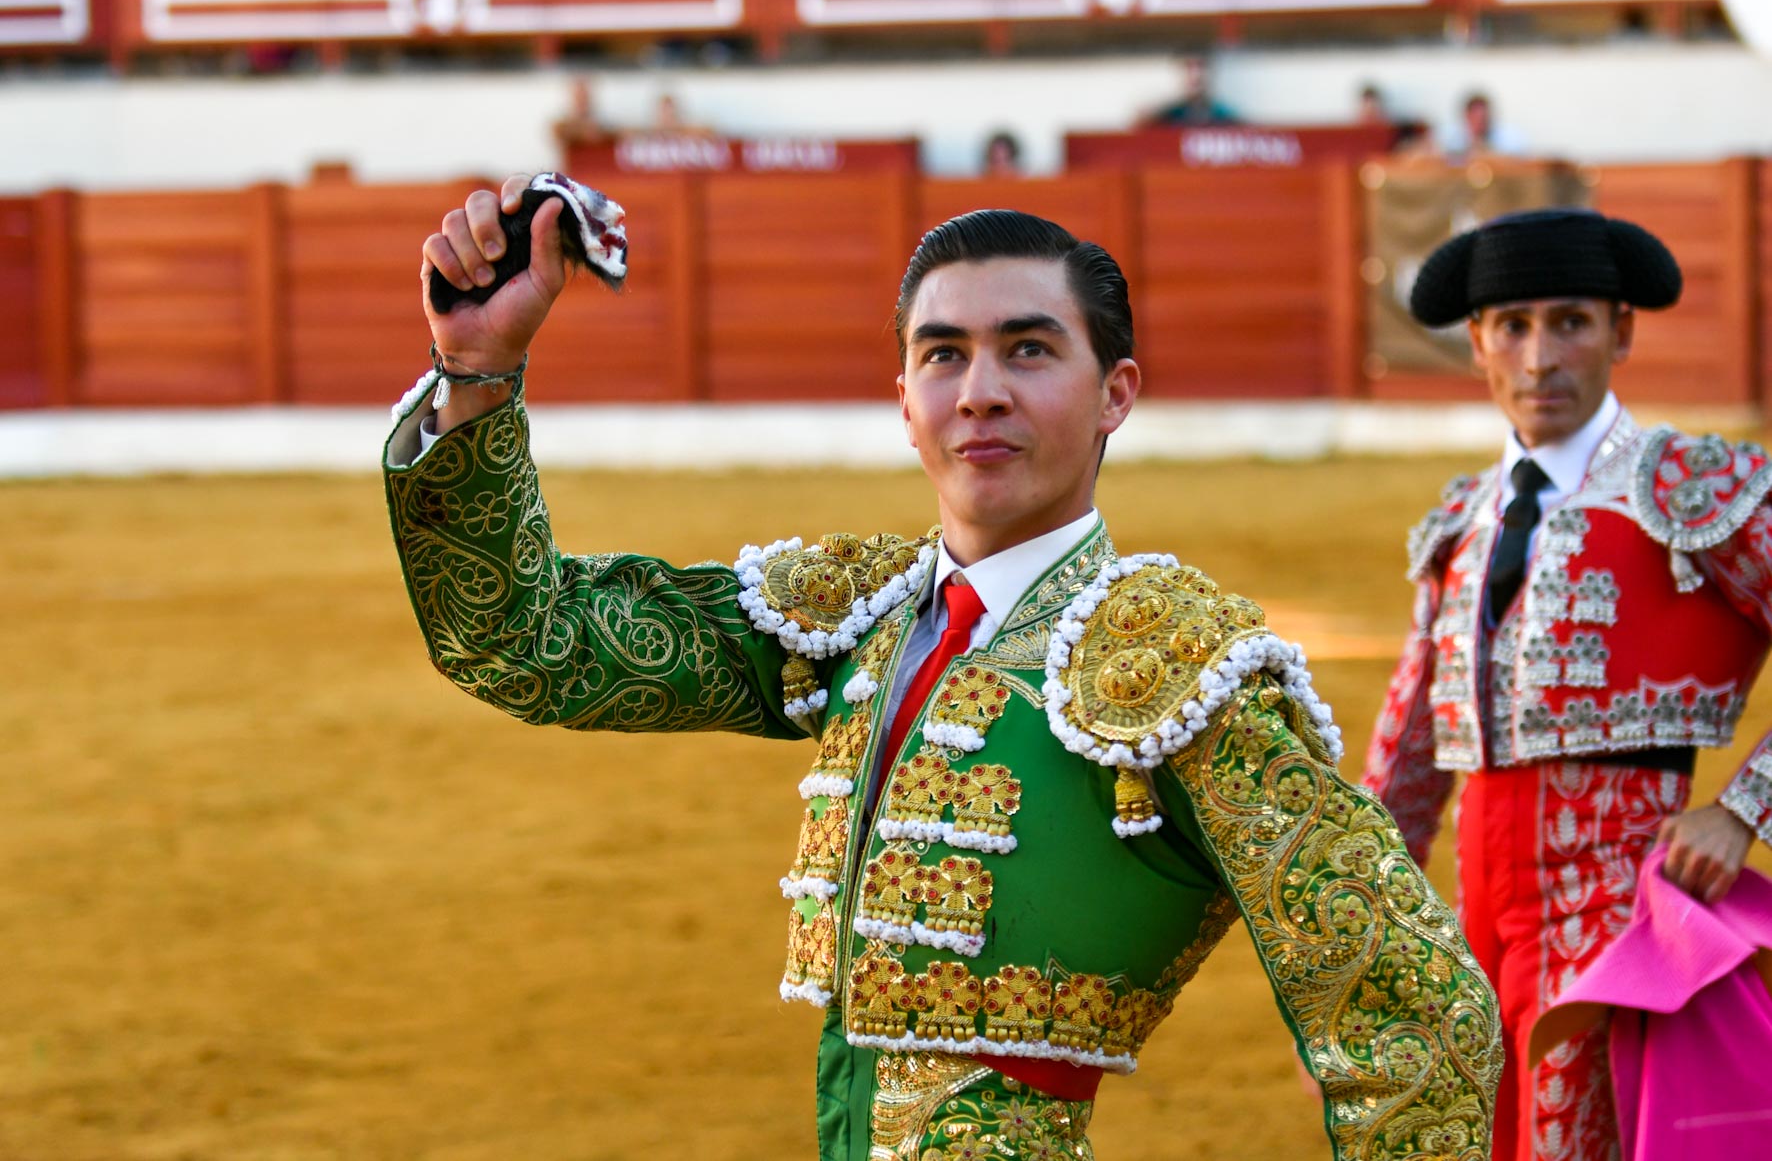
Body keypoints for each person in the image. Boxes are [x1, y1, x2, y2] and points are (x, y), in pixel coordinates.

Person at [387, 183, 1501, 1159]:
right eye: (942, 354)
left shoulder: (1182, 671)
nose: (979, 391)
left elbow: (1415, 1012)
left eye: (1027, 349)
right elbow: (528, 640)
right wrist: (475, 371)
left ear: (1114, 394)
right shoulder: (853, 617)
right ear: (904, 401)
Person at [1364, 207, 1772, 1161]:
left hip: (1622, 899)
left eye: (1571, 322)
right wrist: (1364, 949)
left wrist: (1743, 810)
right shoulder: (1463, 518)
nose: (1541, 356)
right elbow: (1408, 756)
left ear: (1620, 332)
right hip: (1476, 913)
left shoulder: (1690, 486)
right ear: (1478, 345)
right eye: (1513, 326)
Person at [1144, 55, 1238, 126]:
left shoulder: (1224, 116)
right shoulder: (1166, 118)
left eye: (1200, 66)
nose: (1195, 74)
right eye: (1189, 67)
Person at [1439, 92, 1527, 160]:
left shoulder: (1507, 138)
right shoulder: (1451, 139)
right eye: (1475, 119)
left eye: (1483, 119)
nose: (1479, 124)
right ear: (1466, 117)